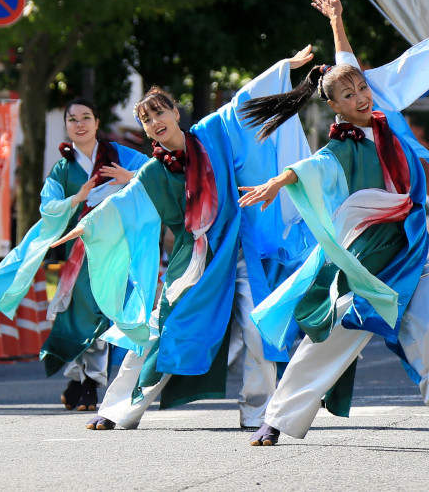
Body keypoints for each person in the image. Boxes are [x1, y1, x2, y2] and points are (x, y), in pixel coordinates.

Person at [239, 0, 429, 451]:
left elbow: (346, 60)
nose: (361, 96)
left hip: (411, 253)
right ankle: (276, 420)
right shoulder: (342, 143)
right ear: (335, 106)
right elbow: (315, 165)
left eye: (362, 87)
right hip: (365, 266)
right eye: (349, 93)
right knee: (329, 337)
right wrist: (280, 181)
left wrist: (337, 20)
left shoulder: (387, 114)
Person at [52, 48, 316, 432]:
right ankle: (119, 408)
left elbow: (243, 100)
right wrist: (87, 227)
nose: (154, 121)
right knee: (161, 329)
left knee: (259, 330)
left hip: (238, 251)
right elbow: (122, 205)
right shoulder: (154, 173)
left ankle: (258, 412)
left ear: (176, 113)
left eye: (159, 112)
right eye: (146, 119)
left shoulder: (211, 134)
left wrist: (282, 69)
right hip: (194, 261)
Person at [0, 98, 148, 411]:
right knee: (80, 317)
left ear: (97, 122)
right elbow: (48, 206)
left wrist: (130, 177)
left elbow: (155, 174)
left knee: (106, 312)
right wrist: (78, 198)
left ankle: (89, 384)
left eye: (85, 118)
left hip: (117, 249)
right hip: (79, 252)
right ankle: (84, 383)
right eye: (72, 119)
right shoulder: (63, 167)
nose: (79, 124)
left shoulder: (118, 154)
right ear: (67, 125)